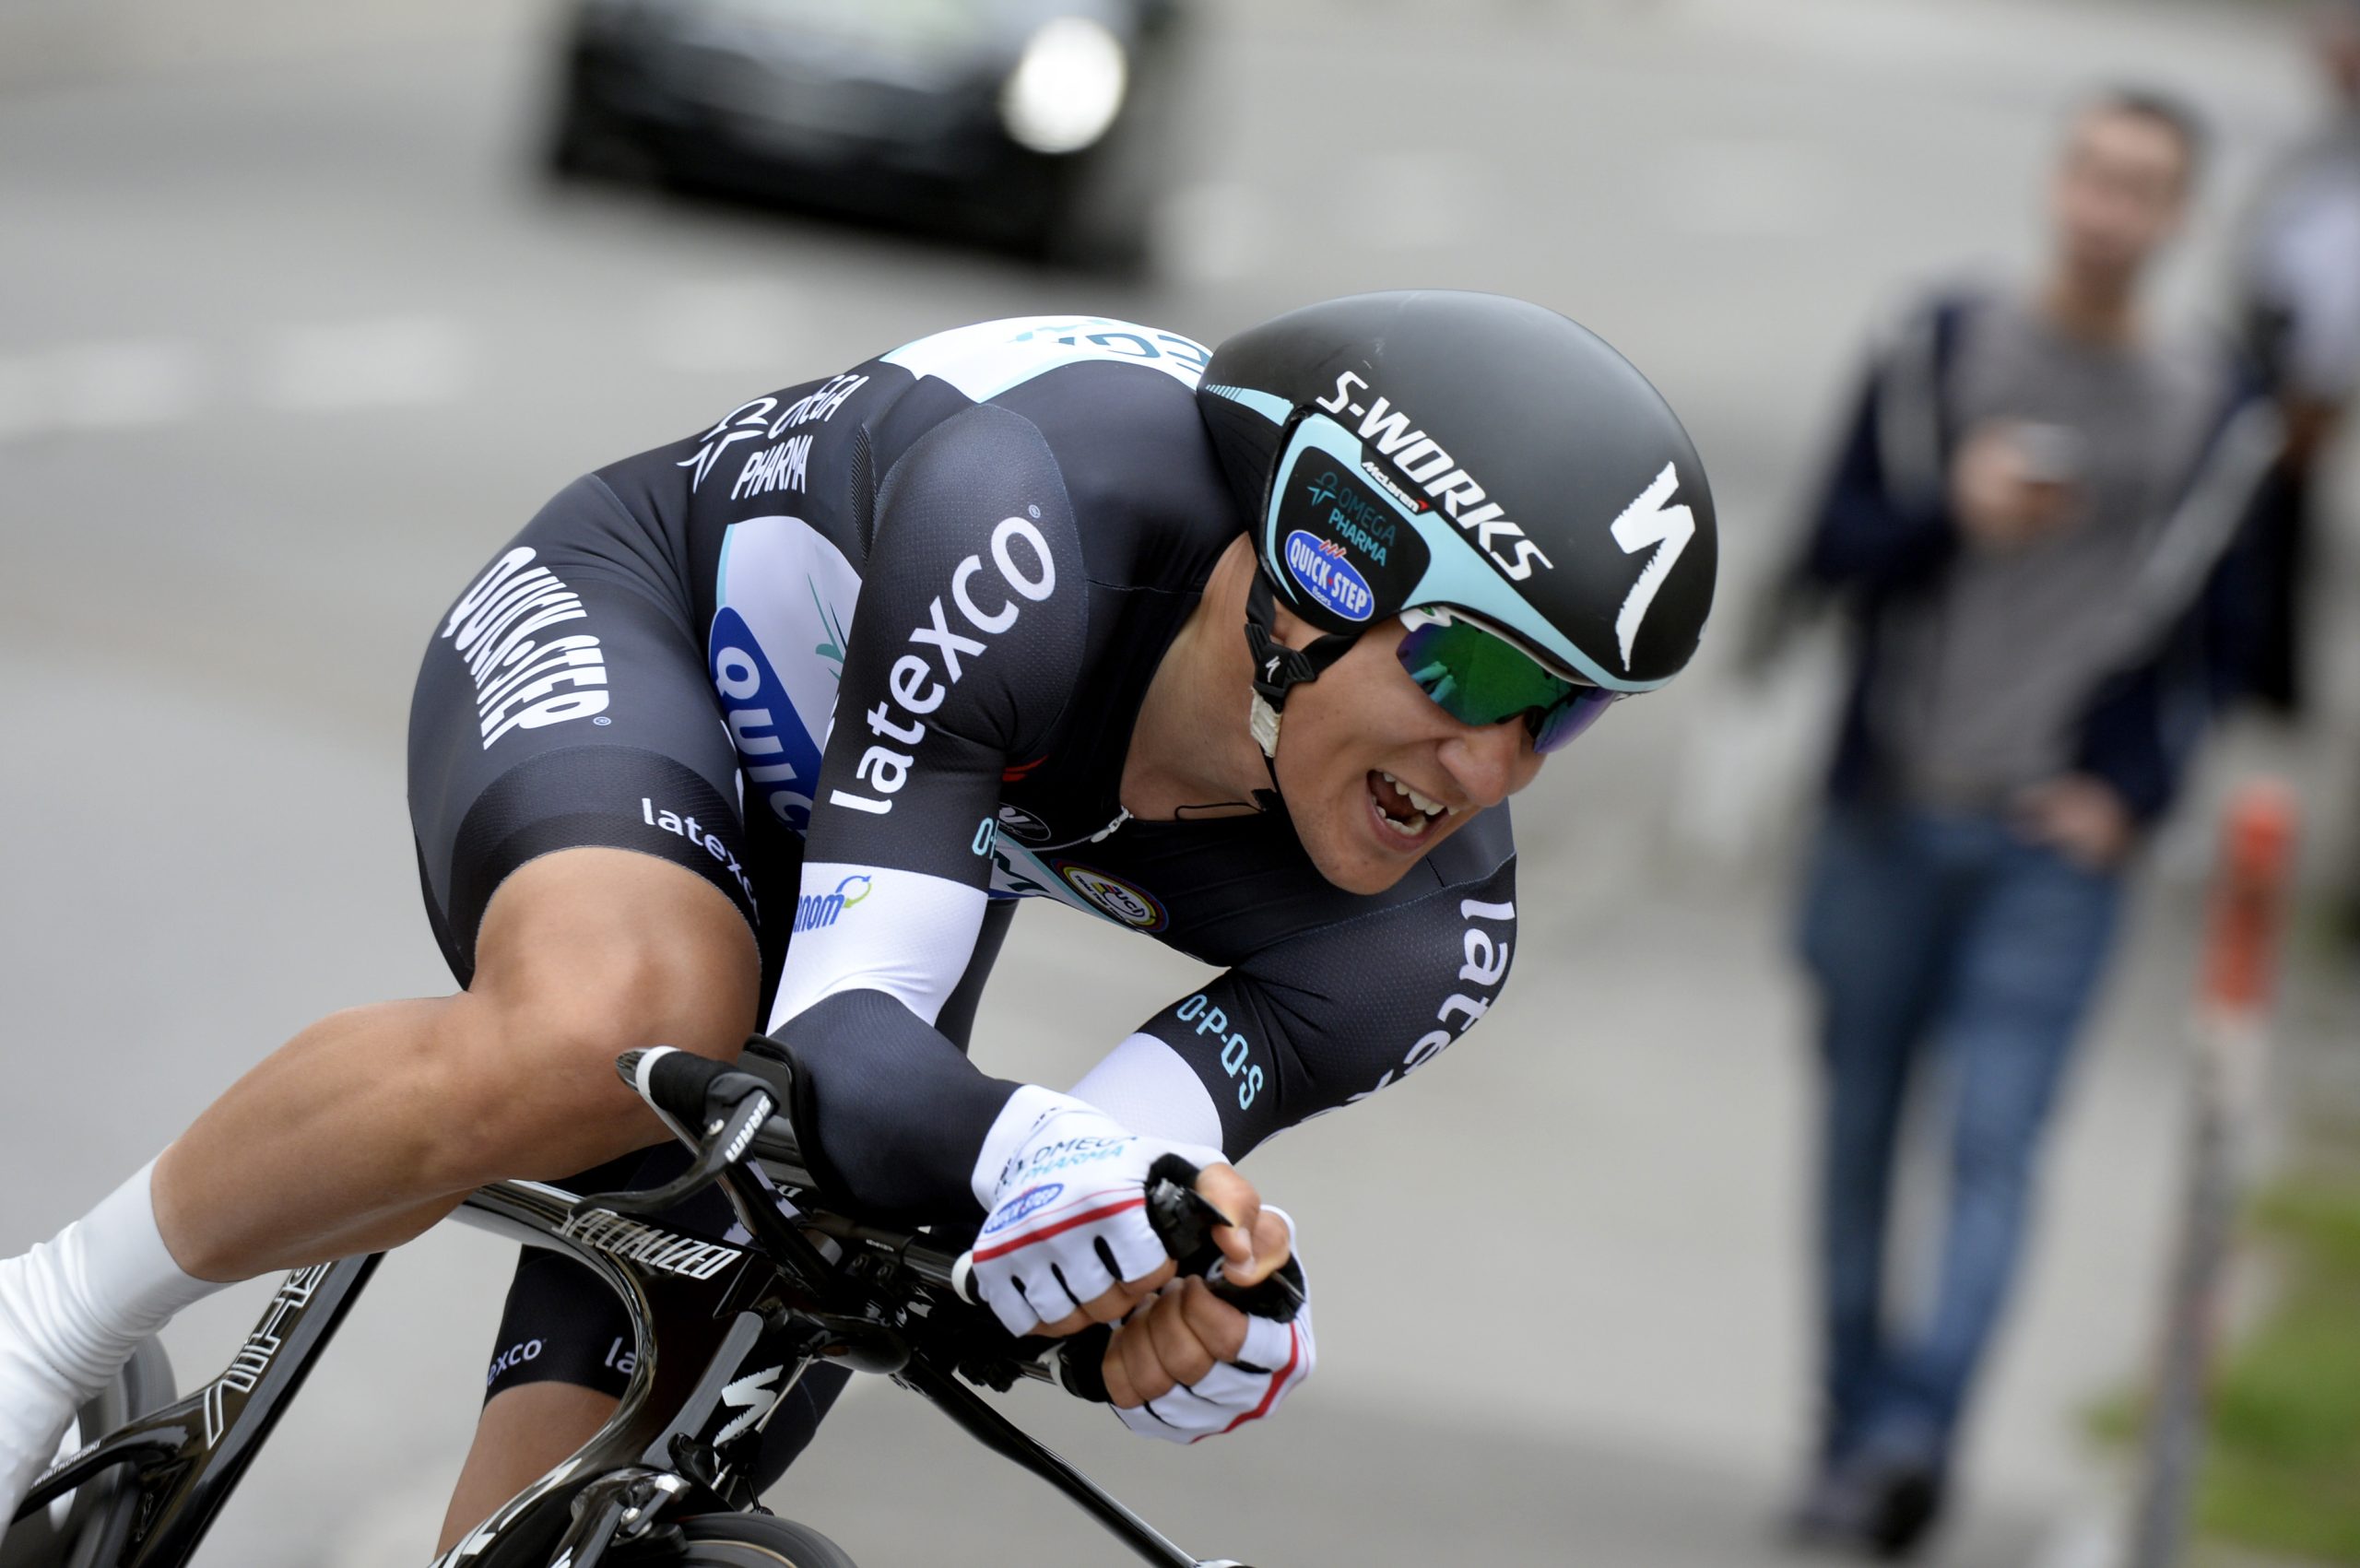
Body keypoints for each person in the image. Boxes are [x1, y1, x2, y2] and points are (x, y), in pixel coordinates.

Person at [0, 291, 1719, 1548]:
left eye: (1559, 715)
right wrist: (1038, 1167)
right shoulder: (1033, 516)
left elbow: (1067, 1185)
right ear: (1316, 573)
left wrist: (1170, 1288)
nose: (1492, 769)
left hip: (905, 827)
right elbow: (842, 1033)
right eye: (1469, 672)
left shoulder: (1428, 929)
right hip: (655, 635)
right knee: (628, 1016)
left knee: (743, 1340)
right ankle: (43, 1324)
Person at [1784, 92, 2278, 1556]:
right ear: (2058, 182)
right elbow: (1826, 551)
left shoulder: (2215, 410)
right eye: (2094, 175)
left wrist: (2131, 794)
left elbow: (2233, 636)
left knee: (1996, 1146)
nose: (2109, 210)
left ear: (2179, 215)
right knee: (1858, 1136)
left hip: (2050, 851)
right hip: (1888, 812)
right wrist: (1954, 508)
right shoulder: (1936, 347)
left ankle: (1909, 1442)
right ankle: (1847, 1427)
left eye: (2144, 188)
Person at [2232, 0, 2360, 716]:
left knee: (2293, 544)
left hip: (2310, 383)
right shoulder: (2330, 137)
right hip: (2280, 362)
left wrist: (2316, 385)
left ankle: (2279, 685)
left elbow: (2338, 279)